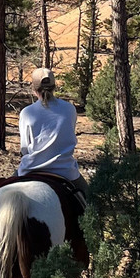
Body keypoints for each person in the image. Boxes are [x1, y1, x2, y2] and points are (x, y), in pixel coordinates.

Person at [17, 67, 87, 201]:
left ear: (34, 89)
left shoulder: (27, 112)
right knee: (92, 202)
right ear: (54, 87)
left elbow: (25, 149)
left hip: (31, 169)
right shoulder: (69, 109)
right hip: (66, 171)